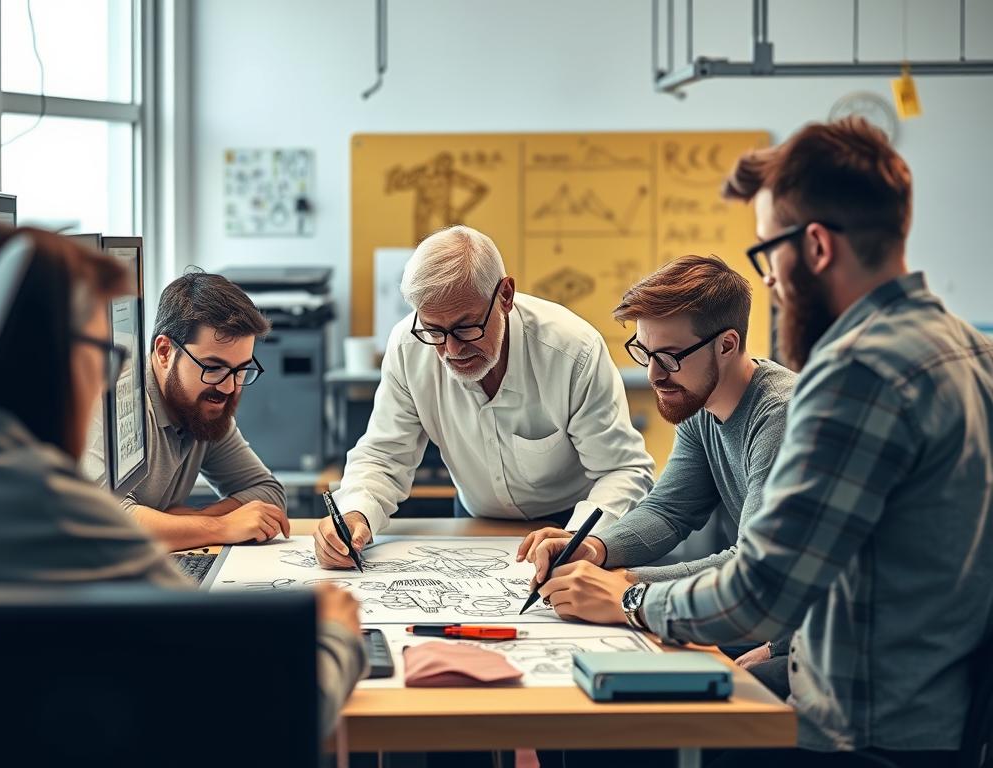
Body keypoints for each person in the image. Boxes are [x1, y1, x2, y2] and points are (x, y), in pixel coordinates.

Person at [540, 118, 993, 766]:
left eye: (767, 252)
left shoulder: (858, 374)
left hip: (860, 735)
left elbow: (760, 590)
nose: (771, 282)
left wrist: (629, 597)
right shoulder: (972, 349)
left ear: (814, 246)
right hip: (940, 721)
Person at [0, 225, 365, 733]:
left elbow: (264, 494)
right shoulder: (50, 505)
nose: (108, 380)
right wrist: (334, 636)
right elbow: (263, 710)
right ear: (56, 362)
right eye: (105, 355)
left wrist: (178, 519)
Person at [520, 255, 796, 693]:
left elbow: (750, 565)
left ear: (726, 344)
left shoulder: (780, 417)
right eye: (644, 352)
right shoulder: (700, 401)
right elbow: (669, 510)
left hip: (819, 631)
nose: (653, 374)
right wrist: (596, 549)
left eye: (668, 356)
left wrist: (625, 586)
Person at [315, 225, 654, 569]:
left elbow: (621, 469)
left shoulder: (572, 350)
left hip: (571, 523)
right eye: (434, 330)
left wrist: (584, 538)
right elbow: (384, 456)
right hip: (475, 522)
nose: (451, 349)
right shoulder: (408, 347)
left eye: (466, 327)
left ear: (505, 295)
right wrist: (354, 514)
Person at [120, 271, 290, 551]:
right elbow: (105, 522)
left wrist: (193, 521)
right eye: (213, 368)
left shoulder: (204, 412)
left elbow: (268, 494)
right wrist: (221, 527)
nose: (228, 387)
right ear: (164, 352)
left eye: (240, 370)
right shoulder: (120, 399)